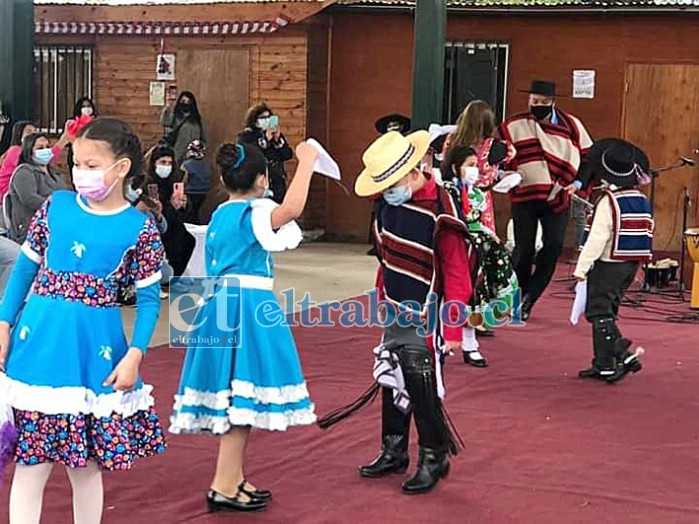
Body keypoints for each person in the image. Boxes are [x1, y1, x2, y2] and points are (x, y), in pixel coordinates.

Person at [0, 117, 167, 524]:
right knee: (31, 463)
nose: (80, 173)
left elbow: (148, 301)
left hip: (96, 350)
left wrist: (135, 355)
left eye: (92, 165)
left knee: (86, 466)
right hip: (36, 343)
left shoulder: (139, 228)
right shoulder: (55, 207)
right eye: (76, 164)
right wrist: (3, 325)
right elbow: (23, 272)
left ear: (121, 167)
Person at [319, 130, 475, 495]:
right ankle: (394, 449)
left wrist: (453, 327)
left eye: (392, 181)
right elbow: (386, 255)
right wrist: (381, 296)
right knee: (392, 377)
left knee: (421, 383)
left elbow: (455, 268)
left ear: (413, 170)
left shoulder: (440, 208)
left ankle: (434, 455)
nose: (387, 189)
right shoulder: (387, 203)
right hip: (395, 306)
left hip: (429, 309)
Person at [169, 140, 319, 513]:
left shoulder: (221, 213)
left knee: (238, 394)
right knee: (241, 396)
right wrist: (308, 163)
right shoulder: (256, 210)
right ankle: (223, 482)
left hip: (219, 304)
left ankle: (232, 477)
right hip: (247, 308)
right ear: (262, 179)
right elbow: (293, 208)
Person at [497, 80, 593, 320]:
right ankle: (520, 297)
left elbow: (588, 158)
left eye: (543, 102)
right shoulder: (514, 125)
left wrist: (578, 183)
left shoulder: (572, 125)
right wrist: (503, 172)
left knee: (553, 247)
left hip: (558, 194)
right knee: (523, 250)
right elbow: (497, 154)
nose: (537, 105)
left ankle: (531, 297)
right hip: (525, 194)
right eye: (534, 101)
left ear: (553, 102)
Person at [572, 139, 652, 382]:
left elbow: (597, 238)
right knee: (609, 310)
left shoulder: (609, 201)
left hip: (608, 263)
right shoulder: (640, 199)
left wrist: (581, 268)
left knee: (598, 312)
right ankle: (604, 364)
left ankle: (623, 353)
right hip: (630, 265)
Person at [442, 145, 518, 368]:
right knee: (452, 294)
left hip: (476, 250)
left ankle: (470, 344)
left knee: (475, 294)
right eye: (470, 166)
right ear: (456, 167)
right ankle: (443, 339)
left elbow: (477, 221)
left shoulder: (475, 192)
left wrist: (487, 232)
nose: (475, 170)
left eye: (476, 165)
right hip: (453, 248)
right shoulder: (446, 190)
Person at [444, 100, 515, 232]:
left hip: (452, 197)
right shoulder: (496, 147)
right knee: (481, 239)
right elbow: (511, 154)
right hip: (481, 201)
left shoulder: (450, 140)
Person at [7, 133, 67, 243]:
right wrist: (57, 207)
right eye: (40, 148)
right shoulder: (24, 171)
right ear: (29, 151)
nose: (45, 150)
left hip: (55, 226)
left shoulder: (56, 173)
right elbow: (30, 199)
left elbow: (65, 194)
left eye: (47, 147)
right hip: (30, 231)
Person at [366, 113, 412, 256]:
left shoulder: (407, 143)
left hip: (401, 184)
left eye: (396, 125)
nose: (393, 128)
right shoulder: (380, 146)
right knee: (380, 214)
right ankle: (378, 243)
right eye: (390, 125)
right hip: (383, 185)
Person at [146, 144, 194, 277]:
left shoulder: (174, 181)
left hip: (174, 223)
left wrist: (183, 204)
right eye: (162, 162)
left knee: (188, 240)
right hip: (156, 225)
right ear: (154, 163)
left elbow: (185, 210)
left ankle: (175, 277)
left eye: (169, 163)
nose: (166, 166)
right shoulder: (147, 182)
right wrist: (169, 206)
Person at [238, 103, 292, 204]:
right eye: (263, 118)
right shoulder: (247, 136)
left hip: (276, 182)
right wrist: (265, 140)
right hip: (257, 182)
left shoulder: (274, 135)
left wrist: (277, 140)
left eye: (269, 117)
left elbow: (287, 155)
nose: (266, 120)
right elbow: (249, 153)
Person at [0, 121, 69, 200]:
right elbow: (44, 159)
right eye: (28, 132)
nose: (33, 134)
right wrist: (63, 140)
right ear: (20, 136)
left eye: (35, 131)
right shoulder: (15, 151)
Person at [160, 91, 207, 165]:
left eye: (188, 102)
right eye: (183, 101)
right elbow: (165, 122)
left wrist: (199, 153)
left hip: (192, 158)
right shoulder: (176, 116)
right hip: (176, 154)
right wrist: (167, 107)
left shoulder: (197, 120)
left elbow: (203, 138)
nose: (185, 103)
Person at [181, 139, 211, 224]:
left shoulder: (186, 165)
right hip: (203, 193)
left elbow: (184, 180)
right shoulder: (206, 165)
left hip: (190, 192)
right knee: (195, 213)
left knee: (188, 214)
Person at [65, 97, 99, 172]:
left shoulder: (97, 122)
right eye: (83, 106)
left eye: (88, 106)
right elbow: (66, 140)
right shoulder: (72, 122)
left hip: (93, 155)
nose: (86, 108)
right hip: (75, 155)